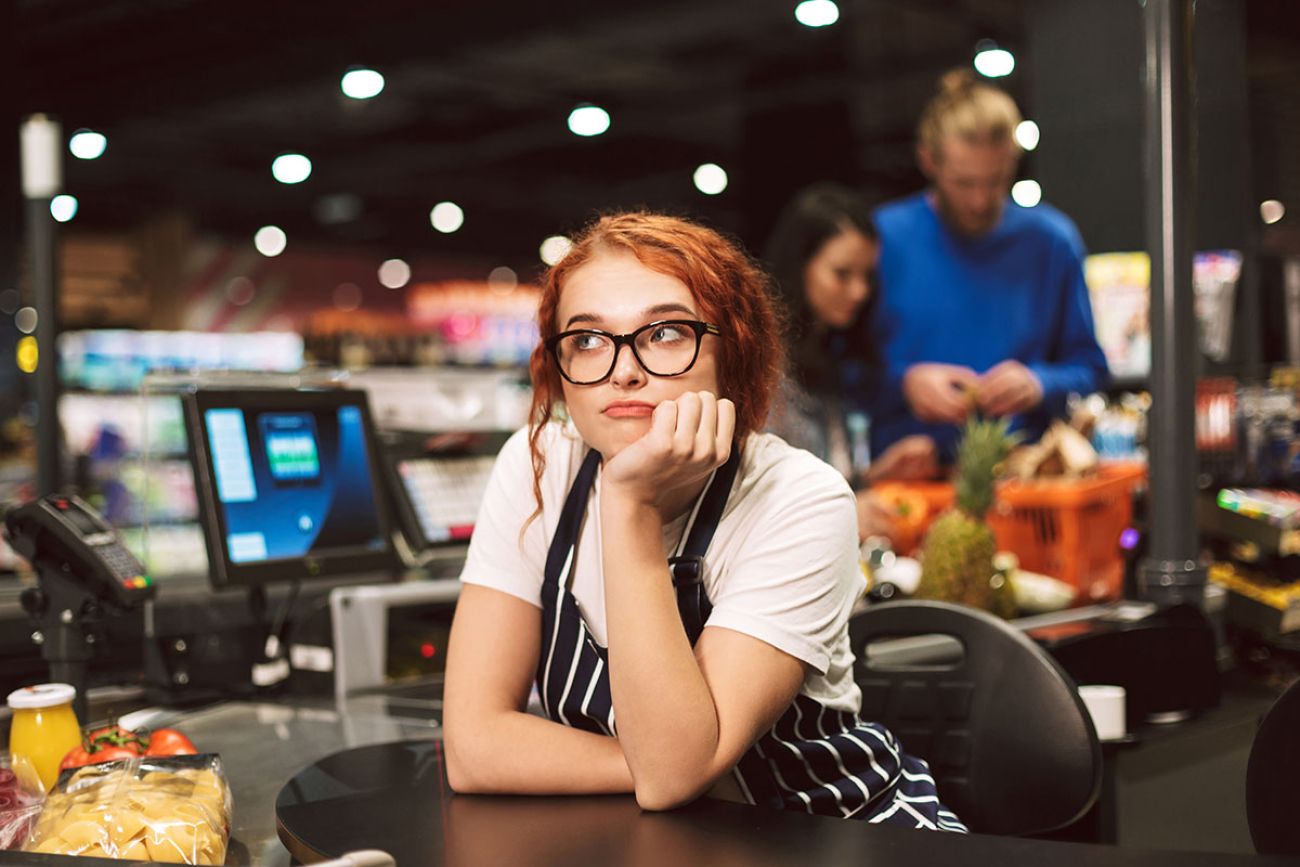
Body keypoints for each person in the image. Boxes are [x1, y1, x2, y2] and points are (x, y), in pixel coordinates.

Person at [443, 212, 964, 831]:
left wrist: (629, 506)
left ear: (733, 350)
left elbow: (671, 777)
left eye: (664, 333)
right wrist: (669, 763)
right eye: (586, 340)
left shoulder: (800, 498)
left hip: (832, 834)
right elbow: (473, 750)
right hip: (663, 838)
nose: (622, 369)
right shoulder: (537, 466)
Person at [870, 69, 1109, 461]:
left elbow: (1090, 368)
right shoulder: (884, 239)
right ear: (928, 161)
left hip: (1024, 477)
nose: (980, 201)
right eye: (964, 183)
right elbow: (839, 373)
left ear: (1013, 161)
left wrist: (1039, 382)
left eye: (996, 181)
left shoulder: (1052, 241)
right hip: (906, 483)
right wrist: (904, 383)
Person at [764, 183, 939, 541]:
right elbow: (757, 501)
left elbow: (825, 478)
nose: (859, 292)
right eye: (842, 274)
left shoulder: (834, 355)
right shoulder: (764, 366)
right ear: (800, 265)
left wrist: (878, 476)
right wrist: (846, 512)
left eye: (867, 276)